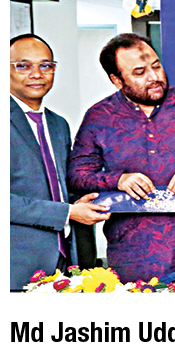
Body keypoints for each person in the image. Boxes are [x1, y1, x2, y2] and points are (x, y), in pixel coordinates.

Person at [69, 33, 175, 282]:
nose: (154, 77)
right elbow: (78, 175)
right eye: (140, 72)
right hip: (133, 252)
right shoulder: (99, 116)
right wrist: (119, 180)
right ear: (117, 80)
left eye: (156, 66)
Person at [10, 34, 107, 289]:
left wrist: (81, 202)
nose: (36, 74)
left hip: (66, 265)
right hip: (15, 267)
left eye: (45, 65)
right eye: (23, 66)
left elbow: (62, 186)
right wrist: (68, 213)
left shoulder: (58, 124)